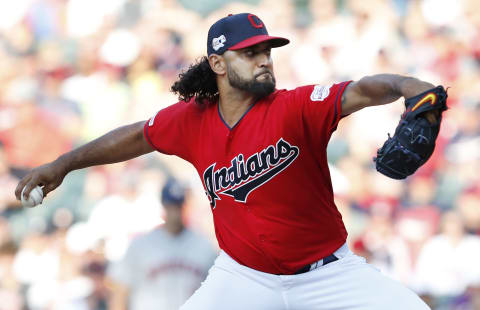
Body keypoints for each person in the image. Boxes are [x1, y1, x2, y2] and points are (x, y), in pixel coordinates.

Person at [15, 13, 438, 309]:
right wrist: (64, 164)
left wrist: (411, 86)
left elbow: (362, 90)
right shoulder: (190, 120)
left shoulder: (294, 107)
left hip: (329, 274)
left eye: (266, 51)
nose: (263, 59)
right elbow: (135, 137)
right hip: (244, 277)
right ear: (217, 63)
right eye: (250, 52)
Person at [107, 178, 217, 310]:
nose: (175, 212)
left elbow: (216, 293)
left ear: (185, 205)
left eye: (178, 206)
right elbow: (120, 291)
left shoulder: (204, 246)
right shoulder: (141, 245)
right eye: (171, 206)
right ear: (164, 205)